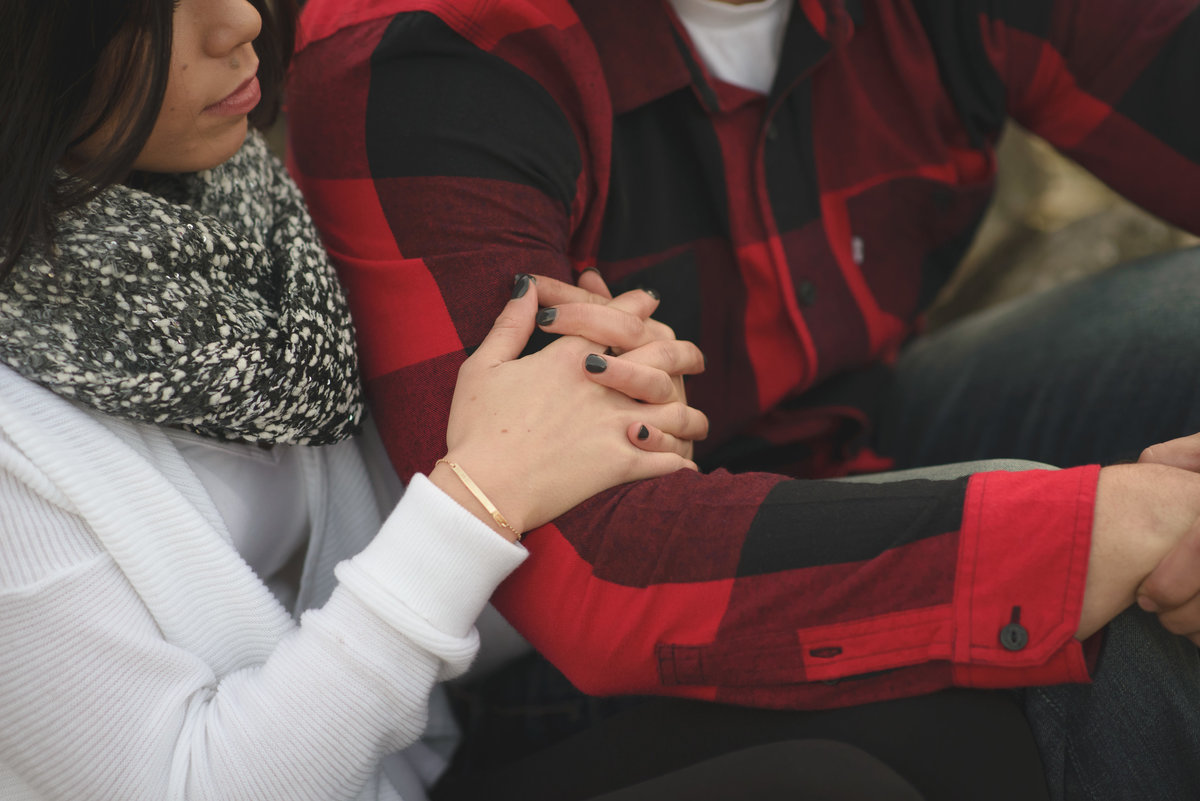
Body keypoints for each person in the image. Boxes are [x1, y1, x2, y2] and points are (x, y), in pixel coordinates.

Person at [287, 0, 1200, 798]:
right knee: (1081, 581)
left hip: (864, 430)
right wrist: (1112, 527)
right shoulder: (436, 49)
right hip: (560, 668)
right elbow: (594, 575)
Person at [0, 0, 717, 798]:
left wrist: (604, 411)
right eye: (146, 15)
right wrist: (477, 498)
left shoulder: (250, 227)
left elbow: (417, 584)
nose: (237, 21)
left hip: (442, 741)